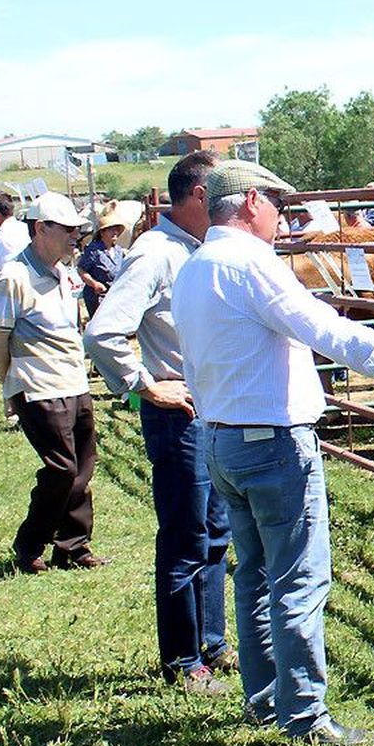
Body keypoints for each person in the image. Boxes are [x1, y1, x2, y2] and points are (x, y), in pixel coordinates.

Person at [172, 160, 374, 746]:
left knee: (255, 573)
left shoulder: (195, 266)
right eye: (277, 205)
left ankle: (267, 698)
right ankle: (304, 714)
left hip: (222, 436)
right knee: (298, 576)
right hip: (271, 440)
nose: (280, 217)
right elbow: (327, 330)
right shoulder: (250, 265)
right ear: (251, 201)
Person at [85, 152, 236, 695]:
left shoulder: (193, 250)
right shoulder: (155, 253)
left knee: (214, 530)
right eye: (221, 192)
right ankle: (182, 659)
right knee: (185, 535)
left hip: (208, 410)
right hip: (179, 414)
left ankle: (211, 643)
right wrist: (146, 384)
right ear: (199, 196)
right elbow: (103, 332)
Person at [0, 192, 108, 573]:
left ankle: (72, 545)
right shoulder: (14, 277)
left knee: (84, 466)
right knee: (62, 469)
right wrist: (11, 386)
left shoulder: (64, 272)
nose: (76, 238)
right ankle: (29, 544)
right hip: (37, 384)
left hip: (73, 381)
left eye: (78, 231)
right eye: (68, 230)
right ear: (41, 228)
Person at [77, 201, 133, 318]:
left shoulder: (119, 251)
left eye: (116, 229)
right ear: (102, 232)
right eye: (111, 229)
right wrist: (94, 284)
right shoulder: (94, 250)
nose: (115, 232)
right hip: (97, 298)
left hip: (114, 296)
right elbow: (81, 270)